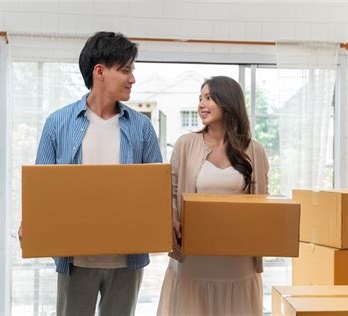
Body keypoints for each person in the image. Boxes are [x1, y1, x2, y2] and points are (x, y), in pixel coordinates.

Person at [19, 31, 162, 316]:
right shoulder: (58, 123)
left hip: (126, 260)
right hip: (75, 259)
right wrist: (31, 222)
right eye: (125, 70)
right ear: (100, 71)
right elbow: (42, 189)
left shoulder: (141, 128)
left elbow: (159, 188)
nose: (132, 78)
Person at [157, 76, 269, 316]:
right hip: (193, 260)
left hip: (237, 262)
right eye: (200, 99)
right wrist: (172, 216)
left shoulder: (254, 150)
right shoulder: (186, 144)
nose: (201, 105)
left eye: (208, 98)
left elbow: (263, 202)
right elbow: (170, 190)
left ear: (228, 102)